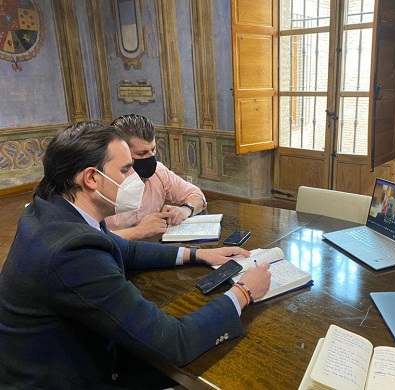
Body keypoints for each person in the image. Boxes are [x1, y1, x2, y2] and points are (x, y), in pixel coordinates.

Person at [0, 122, 271, 389]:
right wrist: (244, 292)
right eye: (126, 169)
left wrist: (197, 254)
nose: (136, 177)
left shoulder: (55, 208)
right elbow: (174, 342)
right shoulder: (72, 252)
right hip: (66, 376)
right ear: (91, 178)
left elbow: (123, 248)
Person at [105, 114, 207, 240]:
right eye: (141, 153)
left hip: (150, 250)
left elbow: (197, 196)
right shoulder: (102, 183)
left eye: (153, 150)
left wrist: (185, 210)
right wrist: (138, 231)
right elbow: (91, 238)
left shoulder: (159, 172)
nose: (150, 157)